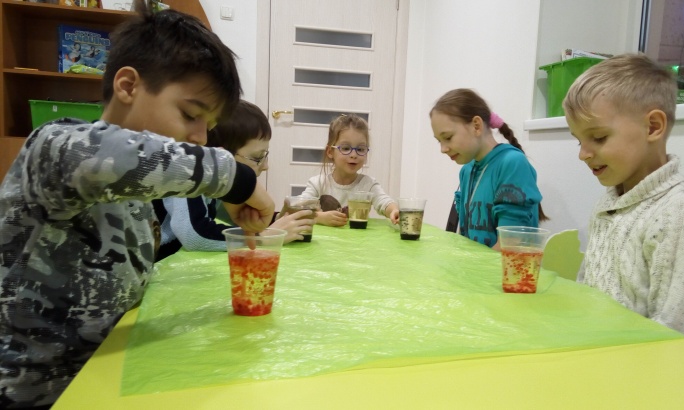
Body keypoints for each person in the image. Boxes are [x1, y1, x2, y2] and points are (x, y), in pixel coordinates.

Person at [0, 2, 275, 408]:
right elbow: (118, 159)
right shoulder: (54, 147)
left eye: (209, 126)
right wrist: (239, 181)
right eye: (190, 114)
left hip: (108, 382)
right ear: (128, 86)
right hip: (35, 395)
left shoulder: (137, 197)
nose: (201, 138)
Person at [563, 53, 684, 351]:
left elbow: (674, 338)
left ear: (652, 127)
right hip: (602, 357)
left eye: (598, 137)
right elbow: (587, 290)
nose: (582, 154)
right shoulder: (608, 205)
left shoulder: (683, 215)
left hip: (661, 371)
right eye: (579, 140)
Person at [154, 100, 315, 260]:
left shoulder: (216, 184)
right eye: (257, 157)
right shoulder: (189, 175)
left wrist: (278, 219)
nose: (266, 166)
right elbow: (195, 236)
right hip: (160, 259)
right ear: (221, 155)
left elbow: (236, 217)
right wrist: (261, 239)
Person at [430, 88, 547, 249]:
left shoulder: (512, 164)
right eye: (439, 141)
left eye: (448, 137)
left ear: (476, 126)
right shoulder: (466, 171)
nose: (443, 149)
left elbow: (510, 244)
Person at [302, 114, 398, 226]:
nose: (353, 155)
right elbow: (298, 208)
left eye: (360, 149)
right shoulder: (317, 184)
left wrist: (394, 211)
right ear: (330, 152)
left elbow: (384, 202)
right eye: (346, 148)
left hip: (358, 237)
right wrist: (319, 217)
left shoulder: (368, 184)